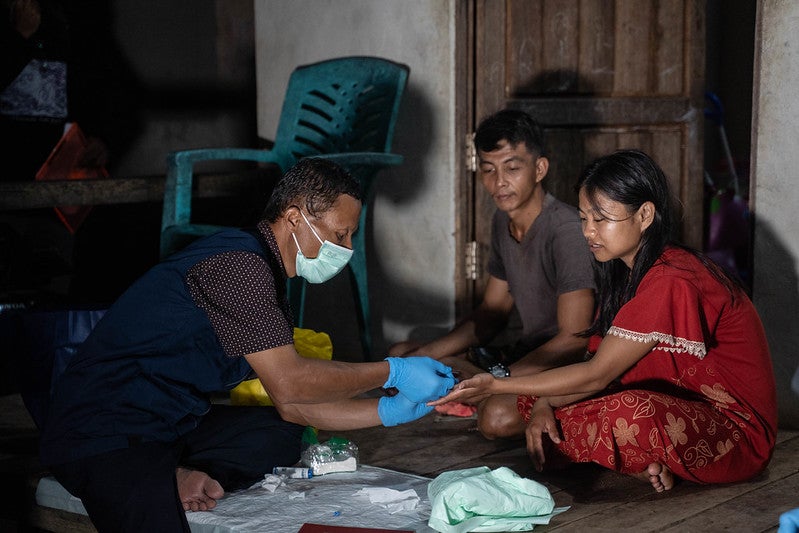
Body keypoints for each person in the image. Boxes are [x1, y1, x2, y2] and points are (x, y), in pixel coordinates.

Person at [38, 158, 456, 532]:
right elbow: (293, 384)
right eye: (341, 235)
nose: (346, 249)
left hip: (166, 425)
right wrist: (394, 371)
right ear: (295, 217)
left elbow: (290, 405)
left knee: (278, 433)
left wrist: (387, 411)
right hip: (105, 433)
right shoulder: (239, 267)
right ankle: (164, 476)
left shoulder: (266, 275)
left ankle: (177, 471)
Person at [431, 149, 778, 493]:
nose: (589, 232)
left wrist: (496, 383)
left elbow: (598, 374)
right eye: (583, 218)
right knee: (500, 414)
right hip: (665, 402)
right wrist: (544, 403)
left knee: (629, 414)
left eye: (601, 219)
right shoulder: (625, 273)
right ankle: (642, 463)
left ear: (644, 215)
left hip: (732, 432)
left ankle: (640, 460)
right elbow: (595, 365)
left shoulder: (674, 276)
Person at [389, 109, 596, 439]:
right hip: (522, 355)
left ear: (539, 169)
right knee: (402, 355)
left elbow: (574, 339)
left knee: (496, 418)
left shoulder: (567, 231)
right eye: (488, 169)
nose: (499, 181)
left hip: (563, 366)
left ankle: (484, 395)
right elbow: (493, 312)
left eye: (512, 168)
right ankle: (478, 391)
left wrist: (499, 379)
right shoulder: (503, 221)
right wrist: (427, 353)